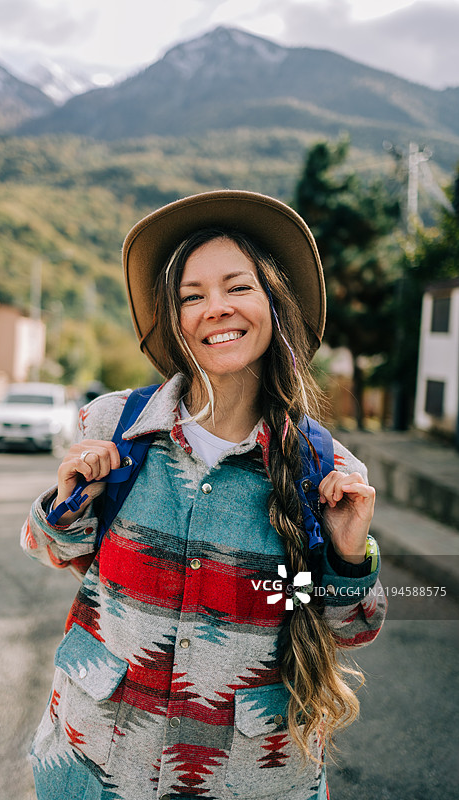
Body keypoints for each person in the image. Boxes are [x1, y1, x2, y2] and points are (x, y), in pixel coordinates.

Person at [22, 190, 387, 800]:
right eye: (192, 296)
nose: (214, 308)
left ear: (274, 301)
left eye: (237, 287)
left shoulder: (323, 470)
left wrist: (347, 557)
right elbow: (47, 548)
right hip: (90, 769)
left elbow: (346, 628)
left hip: (253, 779)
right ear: (176, 317)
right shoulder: (113, 426)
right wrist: (67, 503)